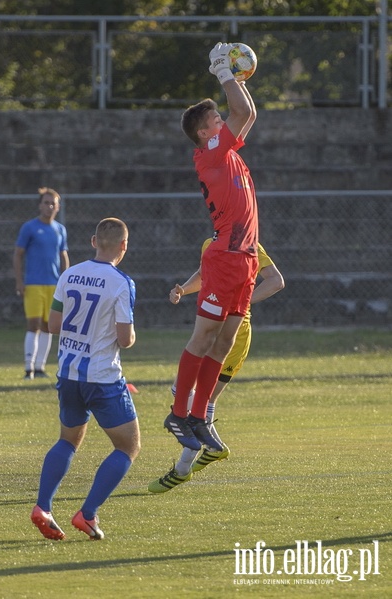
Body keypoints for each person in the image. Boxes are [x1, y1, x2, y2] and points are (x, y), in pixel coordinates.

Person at [163, 42, 261, 454]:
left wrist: (235, 77)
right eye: (215, 120)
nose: (222, 122)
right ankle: (177, 412)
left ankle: (200, 415)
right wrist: (223, 72)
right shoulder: (209, 154)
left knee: (223, 343)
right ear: (204, 133)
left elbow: (248, 114)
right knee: (204, 337)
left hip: (246, 259)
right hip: (223, 257)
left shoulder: (225, 150)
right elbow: (240, 113)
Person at [31, 217, 138, 541]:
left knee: (68, 440)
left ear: (93, 241)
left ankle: (43, 507)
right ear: (124, 246)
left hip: (68, 374)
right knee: (128, 446)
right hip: (102, 378)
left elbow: (52, 325)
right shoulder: (121, 282)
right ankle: (87, 514)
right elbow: (124, 338)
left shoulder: (69, 274)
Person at [149, 239, 284, 493]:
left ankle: (183, 469)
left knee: (199, 399)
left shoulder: (249, 245)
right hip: (213, 328)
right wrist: (183, 290)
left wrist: (243, 302)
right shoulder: (210, 243)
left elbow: (276, 281)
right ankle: (213, 448)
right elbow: (204, 274)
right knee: (186, 393)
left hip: (234, 334)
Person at [14, 187, 69, 380]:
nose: (49, 206)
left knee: (49, 325)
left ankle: (40, 367)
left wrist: (66, 280)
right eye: (46, 202)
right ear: (40, 205)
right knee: (34, 324)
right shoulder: (29, 227)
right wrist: (20, 280)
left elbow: (63, 256)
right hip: (34, 284)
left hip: (53, 284)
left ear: (58, 206)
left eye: (53, 203)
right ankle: (28, 367)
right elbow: (18, 254)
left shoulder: (60, 229)